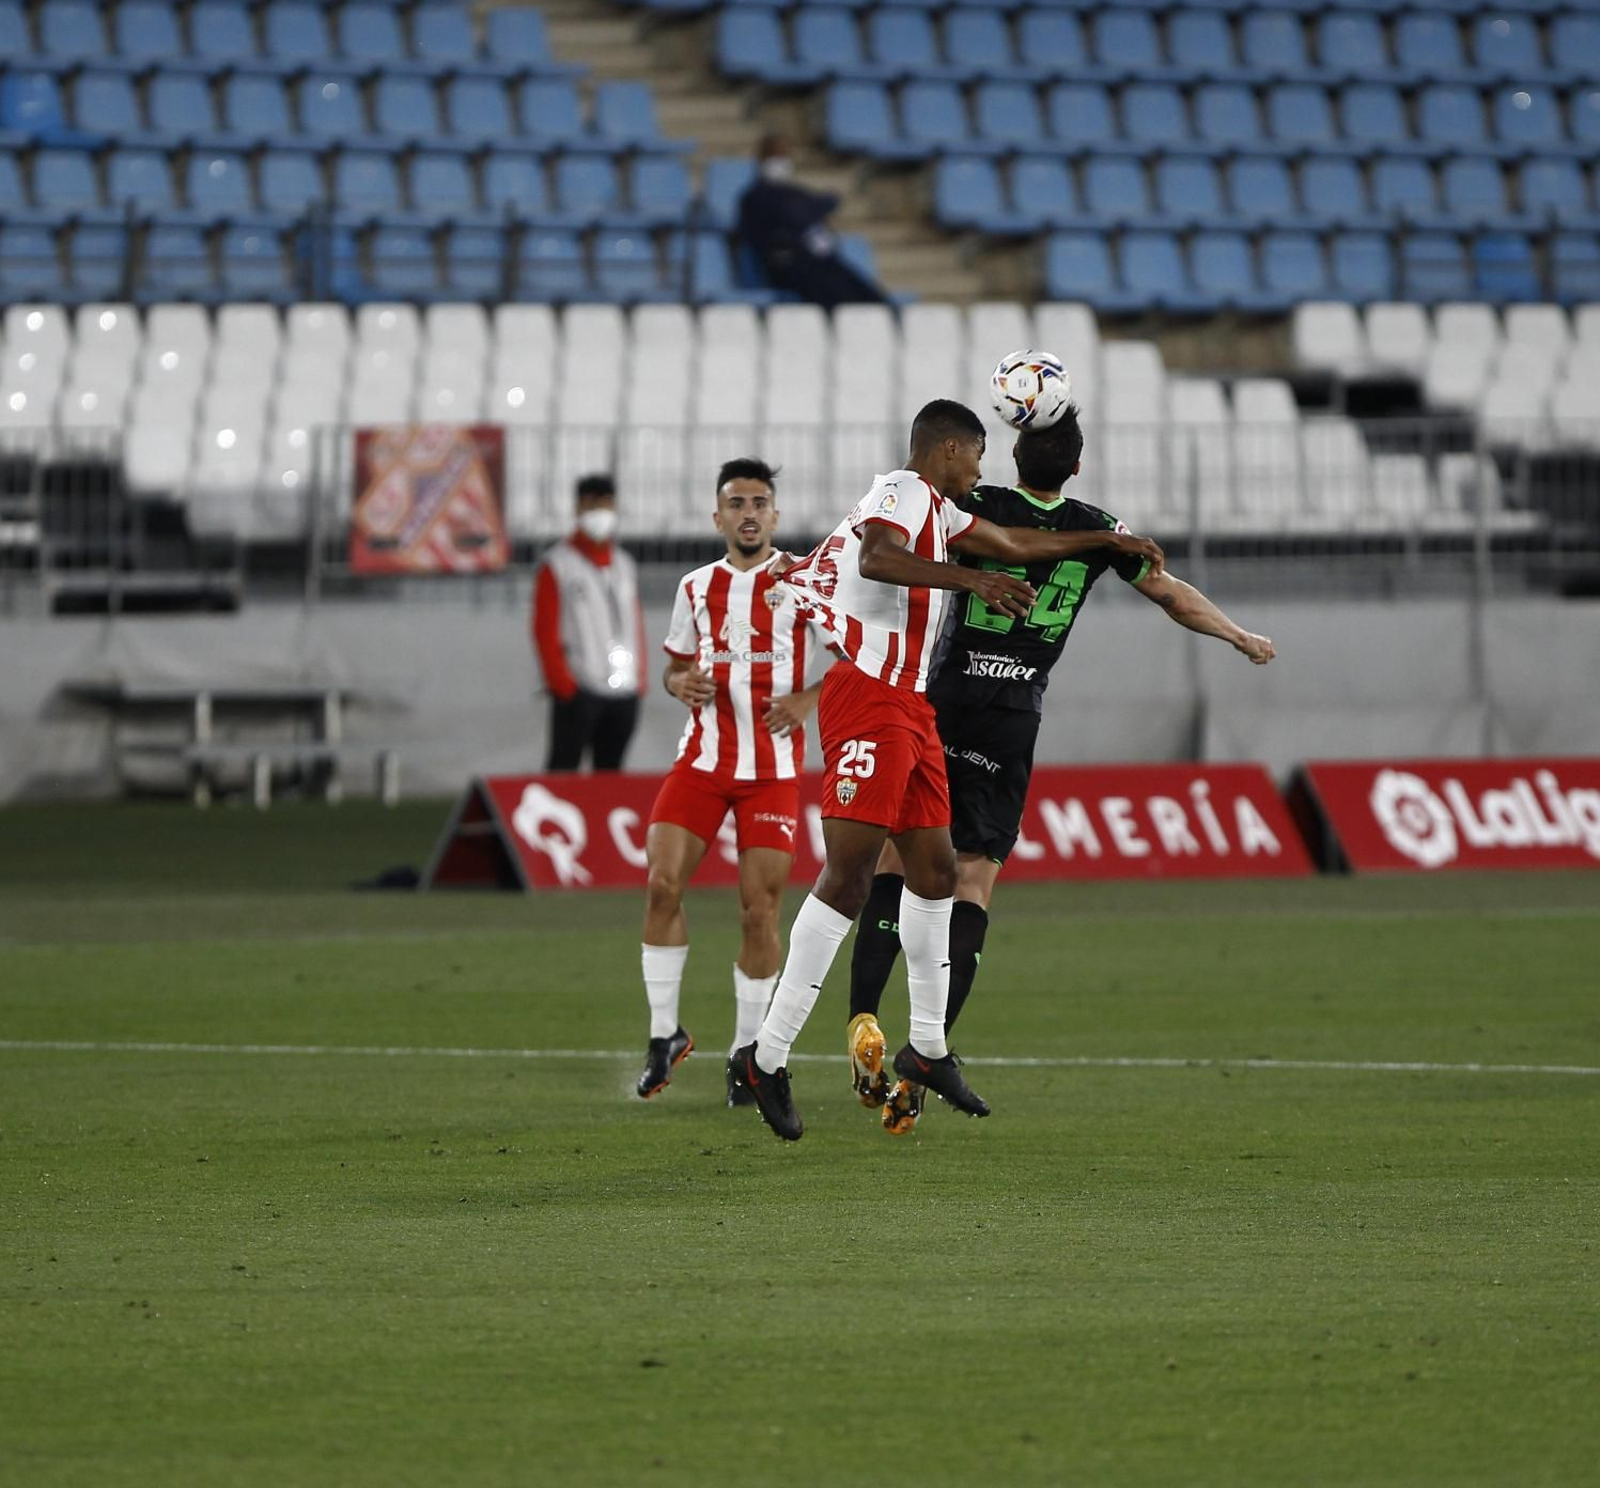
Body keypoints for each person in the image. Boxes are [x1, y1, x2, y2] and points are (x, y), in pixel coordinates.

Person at [725, 400, 1165, 1141]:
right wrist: (973, 584)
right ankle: (766, 1057)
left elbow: (1017, 543)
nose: (984, 471)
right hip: (866, 697)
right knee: (850, 878)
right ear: (950, 448)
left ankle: (927, 1050)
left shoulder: (946, 513)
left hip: (914, 707)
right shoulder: (900, 489)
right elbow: (876, 559)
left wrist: (1107, 538)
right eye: (978, 457)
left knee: (933, 875)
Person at [847, 405, 1277, 1136]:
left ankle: (863, 1012)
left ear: (1011, 459)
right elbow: (1172, 595)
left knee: (900, 853)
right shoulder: (1096, 525)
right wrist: (1237, 634)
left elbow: (918, 534)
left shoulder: (971, 504)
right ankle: (928, 1054)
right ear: (1075, 467)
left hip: (944, 697)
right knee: (974, 876)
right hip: (1012, 715)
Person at [635, 459, 838, 1106]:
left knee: (760, 911)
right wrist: (679, 684)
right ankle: (664, 1035)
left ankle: (747, 1054)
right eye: (736, 502)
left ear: (774, 516)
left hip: (773, 773)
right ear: (717, 516)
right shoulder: (696, 587)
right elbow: (672, 668)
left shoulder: (804, 580)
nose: (748, 512)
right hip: (701, 762)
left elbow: (856, 656)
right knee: (662, 884)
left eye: (759, 502)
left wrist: (807, 697)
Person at [531, 474, 646, 772]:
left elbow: (635, 623)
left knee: (610, 776)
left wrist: (639, 677)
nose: (600, 513)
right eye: (593, 504)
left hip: (623, 690)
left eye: (606, 504)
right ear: (578, 508)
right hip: (580, 688)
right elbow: (544, 629)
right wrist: (564, 685)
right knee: (564, 770)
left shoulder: (623, 564)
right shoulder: (558, 564)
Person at [735, 133, 890, 310]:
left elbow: (823, 202)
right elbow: (763, 232)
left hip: (818, 260)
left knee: (866, 293)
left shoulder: (792, 192)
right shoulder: (753, 197)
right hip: (787, 264)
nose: (780, 163)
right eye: (774, 157)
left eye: (783, 157)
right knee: (837, 294)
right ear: (761, 160)